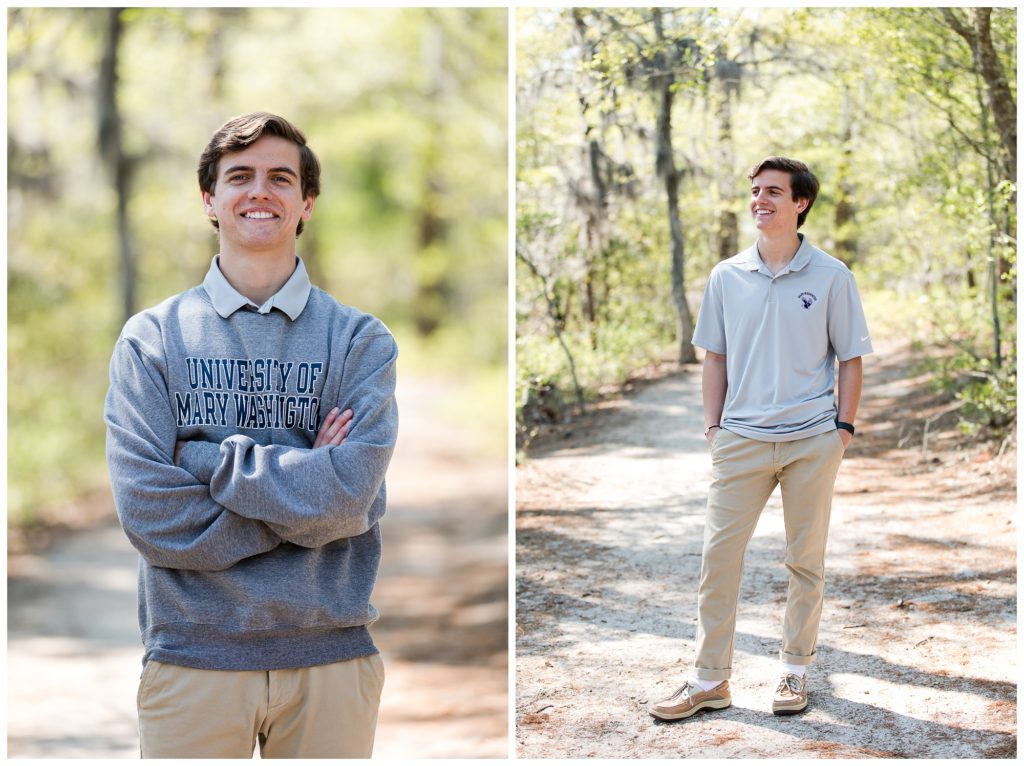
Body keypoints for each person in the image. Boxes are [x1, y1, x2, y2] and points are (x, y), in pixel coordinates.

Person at [104, 112, 398, 757]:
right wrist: (312, 493)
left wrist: (209, 460)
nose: (259, 192)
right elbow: (152, 518)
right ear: (210, 198)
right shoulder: (152, 340)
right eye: (240, 176)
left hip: (332, 659)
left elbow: (352, 495)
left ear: (306, 204)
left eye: (280, 178)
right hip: (191, 659)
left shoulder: (359, 340)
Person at [649, 156, 872, 721]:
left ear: (801, 204)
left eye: (773, 191)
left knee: (805, 560)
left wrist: (841, 429)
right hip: (741, 440)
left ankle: (794, 672)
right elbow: (714, 357)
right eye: (755, 192)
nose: (759, 200)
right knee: (718, 558)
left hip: (811, 441)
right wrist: (714, 428)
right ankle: (708, 681)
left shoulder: (831, 275)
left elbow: (851, 358)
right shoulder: (726, 276)